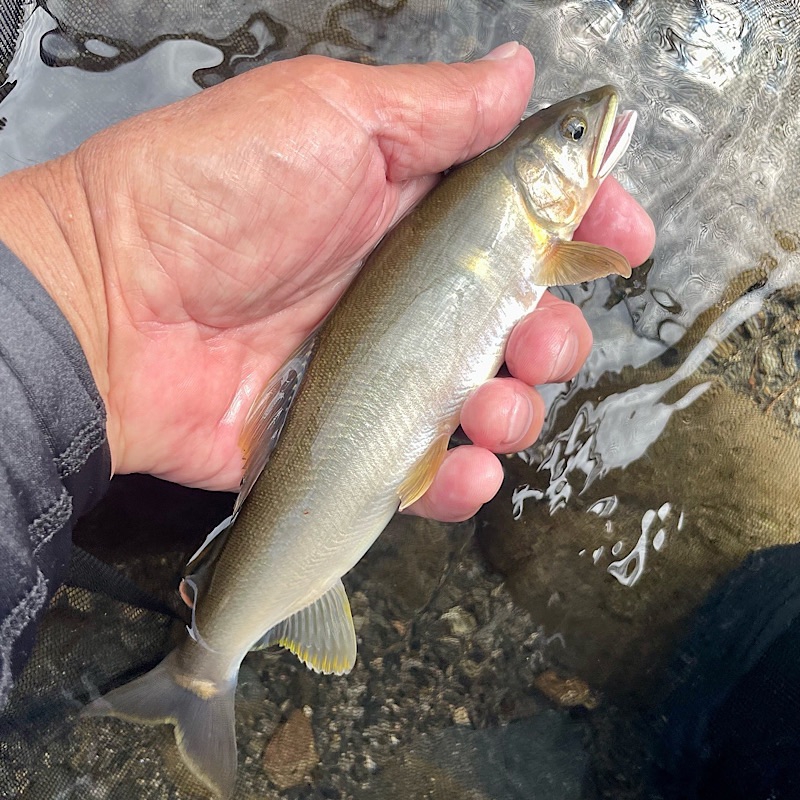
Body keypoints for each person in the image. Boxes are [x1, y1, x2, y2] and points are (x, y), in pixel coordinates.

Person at [0, 42, 654, 707]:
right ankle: (203, 670)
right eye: (573, 134)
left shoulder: (516, 208)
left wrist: (83, 263)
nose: (590, 125)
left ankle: (204, 663)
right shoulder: (538, 229)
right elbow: (594, 260)